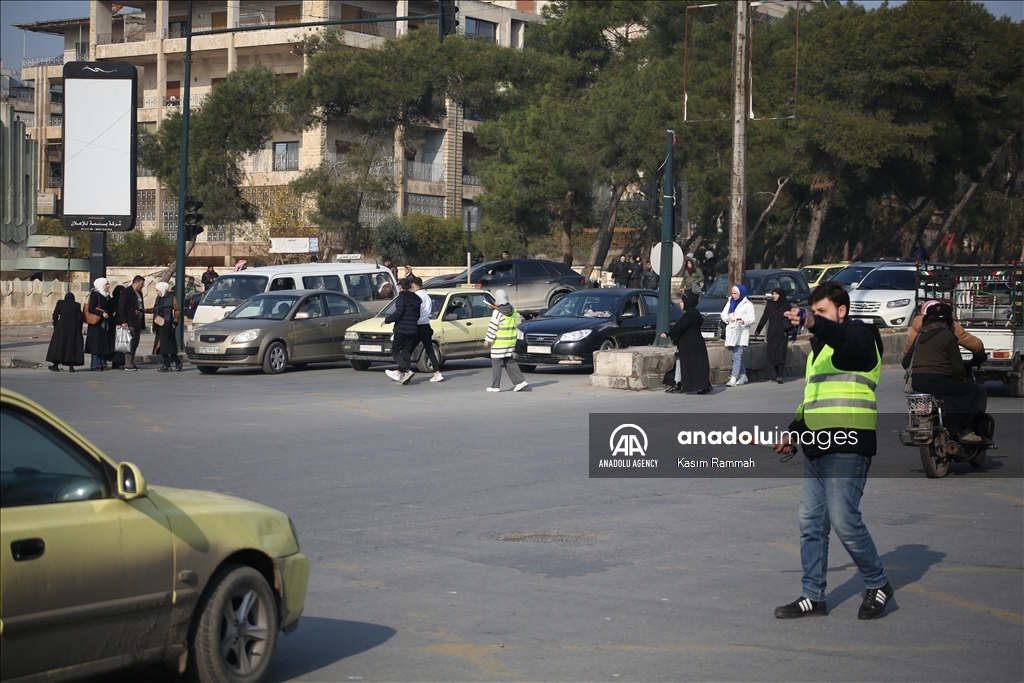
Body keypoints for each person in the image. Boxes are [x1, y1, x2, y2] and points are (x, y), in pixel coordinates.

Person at [773, 282, 892, 620]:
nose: (816, 318)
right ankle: (813, 596)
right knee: (811, 523)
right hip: (816, 447)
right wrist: (794, 434)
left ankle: (878, 583)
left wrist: (813, 322)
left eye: (822, 311)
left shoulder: (862, 336)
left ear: (842, 311)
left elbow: (847, 342)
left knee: (843, 520)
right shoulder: (819, 351)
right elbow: (813, 400)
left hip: (849, 445)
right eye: (814, 312)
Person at [902, 302, 987, 444]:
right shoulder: (948, 335)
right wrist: (959, 379)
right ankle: (962, 429)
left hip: (917, 383)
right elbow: (958, 369)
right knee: (975, 391)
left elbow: (905, 363)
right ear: (947, 321)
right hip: (939, 382)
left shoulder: (919, 336)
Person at [661, 290, 712, 395]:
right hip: (691, 344)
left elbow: (680, 326)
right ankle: (682, 383)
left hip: (691, 344)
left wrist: (668, 333)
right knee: (692, 364)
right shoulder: (693, 313)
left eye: (682, 302)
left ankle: (700, 386)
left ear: (688, 303)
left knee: (693, 365)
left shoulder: (690, 314)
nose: (680, 304)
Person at [483, 289, 528, 393]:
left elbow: (492, 327)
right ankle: (520, 382)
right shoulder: (513, 310)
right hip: (510, 342)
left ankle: (495, 386)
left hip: (499, 343)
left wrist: (487, 340)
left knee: (496, 363)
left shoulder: (497, 313)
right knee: (509, 361)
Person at [902, 300, 983, 356]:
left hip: (919, 374)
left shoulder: (914, 329)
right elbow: (975, 345)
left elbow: (907, 353)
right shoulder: (952, 326)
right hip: (944, 373)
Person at [383, 279, 421, 385]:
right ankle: (406, 377)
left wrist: (387, 320)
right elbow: (418, 315)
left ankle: (407, 371)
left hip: (401, 329)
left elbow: (398, 313)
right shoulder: (416, 298)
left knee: (395, 351)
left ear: (400, 287)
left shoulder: (401, 298)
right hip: (413, 329)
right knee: (406, 353)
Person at [756, 287, 793, 383]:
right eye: (773, 294)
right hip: (772, 333)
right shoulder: (769, 306)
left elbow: (793, 318)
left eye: (776, 294)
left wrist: (788, 316)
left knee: (780, 354)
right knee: (772, 354)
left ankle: (780, 375)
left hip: (782, 333)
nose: (774, 296)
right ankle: (777, 373)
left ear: (781, 295)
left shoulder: (786, 306)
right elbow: (764, 318)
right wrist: (758, 330)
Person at [409, 277, 444, 382]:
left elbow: (413, 311)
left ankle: (402, 371)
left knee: (409, 348)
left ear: (414, 286)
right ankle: (437, 373)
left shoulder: (416, 296)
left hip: (418, 325)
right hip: (426, 325)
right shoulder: (427, 296)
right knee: (429, 350)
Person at [722, 284, 755, 386]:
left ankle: (733, 378)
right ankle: (743, 375)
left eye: (735, 293)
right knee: (735, 356)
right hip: (731, 332)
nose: (733, 295)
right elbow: (723, 313)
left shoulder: (748, 304)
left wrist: (743, 321)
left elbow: (752, 319)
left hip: (741, 334)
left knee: (737, 355)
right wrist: (727, 319)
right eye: (732, 293)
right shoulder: (730, 302)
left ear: (741, 294)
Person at [46, 292, 84, 372]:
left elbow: (55, 314)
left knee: (59, 345)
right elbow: (80, 317)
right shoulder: (76, 305)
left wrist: (56, 324)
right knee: (71, 345)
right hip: (73, 327)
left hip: (62, 326)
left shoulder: (60, 303)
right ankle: (71, 367)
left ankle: (55, 365)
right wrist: (78, 327)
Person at [148, 282, 181, 372]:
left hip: (168, 325)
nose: (156, 292)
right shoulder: (159, 298)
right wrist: (143, 310)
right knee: (161, 347)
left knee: (169, 347)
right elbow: (154, 309)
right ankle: (167, 364)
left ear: (162, 289)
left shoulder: (171, 297)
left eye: (158, 290)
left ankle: (177, 362)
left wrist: (175, 321)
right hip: (159, 325)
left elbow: (177, 310)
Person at [117, 275, 146, 372]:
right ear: (136, 282)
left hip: (138, 321)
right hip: (130, 321)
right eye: (141, 284)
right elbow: (122, 307)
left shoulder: (139, 293)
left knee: (135, 343)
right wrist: (123, 321)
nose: (142, 286)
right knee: (130, 343)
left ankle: (131, 362)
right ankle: (128, 364)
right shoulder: (126, 292)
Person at [85, 278, 114, 371]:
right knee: (96, 345)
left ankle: (102, 364)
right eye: (106, 284)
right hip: (96, 324)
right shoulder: (95, 294)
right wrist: (102, 314)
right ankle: (95, 365)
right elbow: (91, 309)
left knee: (102, 344)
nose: (108, 286)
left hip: (104, 323)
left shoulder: (106, 295)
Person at [110, 284, 127, 369]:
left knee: (115, 344)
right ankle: (120, 362)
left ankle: (115, 362)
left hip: (113, 325)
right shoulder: (122, 301)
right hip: (120, 324)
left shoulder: (111, 300)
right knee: (121, 343)